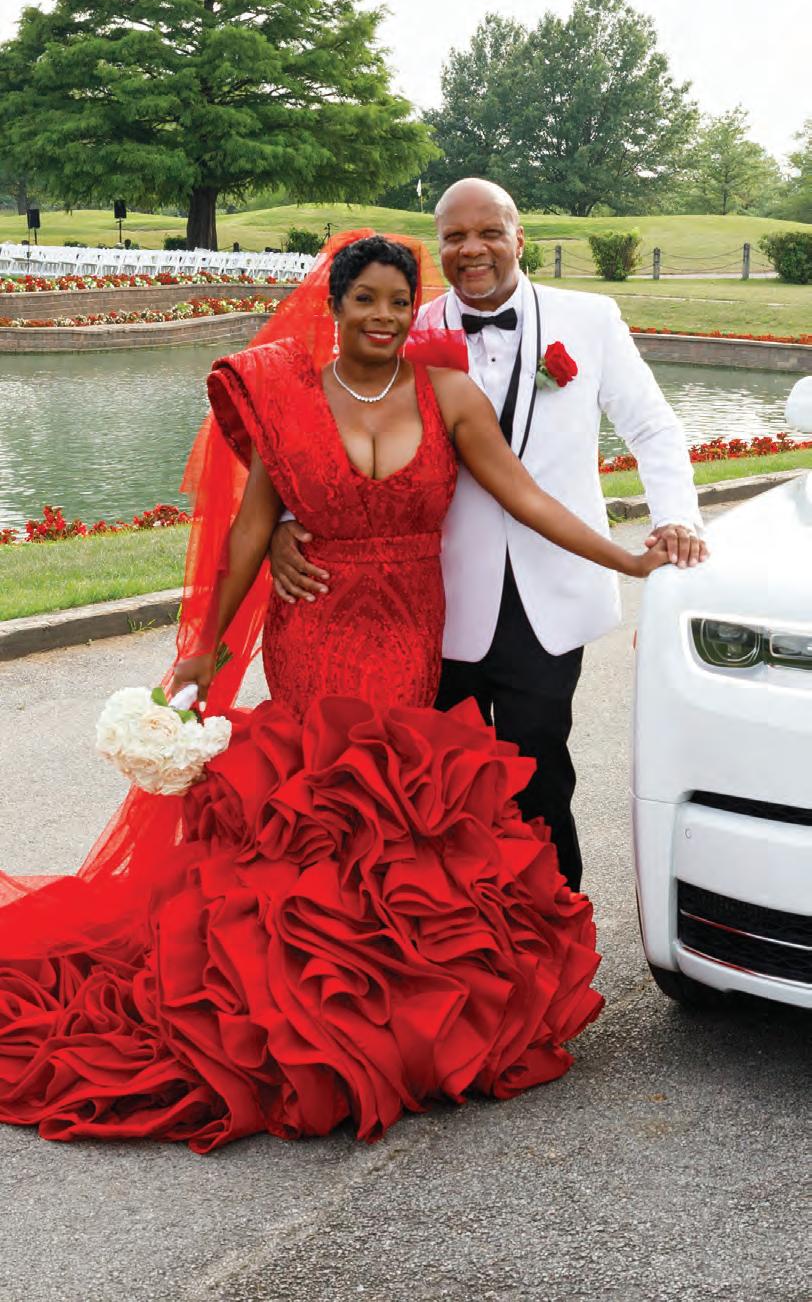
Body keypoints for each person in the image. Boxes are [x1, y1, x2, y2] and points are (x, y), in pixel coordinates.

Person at [0, 234, 671, 1155]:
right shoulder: (285, 396)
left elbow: (525, 496)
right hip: (314, 629)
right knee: (315, 811)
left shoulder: (447, 391)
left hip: (409, 633)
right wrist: (205, 652)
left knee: (397, 817)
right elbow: (250, 531)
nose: (384, 317)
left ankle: (392, 1014)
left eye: (399, 301)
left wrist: (626, 559)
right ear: (337, 307)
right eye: (367, 301)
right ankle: (304, 1023)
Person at [271, 187, 707, 891]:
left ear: (519, 238)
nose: (472, 249)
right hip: (431, 601)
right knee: (442, 781)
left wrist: (677, 517)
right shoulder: (405, 325)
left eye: (489, 232)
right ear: (438, 246)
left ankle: (556, 922)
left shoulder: (589, 319)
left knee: (538, 769)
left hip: (553, 590)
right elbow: (337, 425)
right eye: (454, 236)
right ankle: (458, 928)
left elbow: (652, 427)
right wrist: (287, 524)